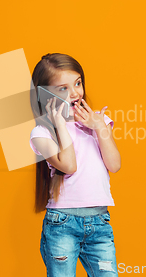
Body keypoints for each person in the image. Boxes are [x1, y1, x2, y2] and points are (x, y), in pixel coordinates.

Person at [29, 53, 121, 277]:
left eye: (78, 83)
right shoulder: (41, 134)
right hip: (62, 225)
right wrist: (60, 123)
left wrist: (99, 126)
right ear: (44, 95)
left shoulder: (98, 122)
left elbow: (115, 164)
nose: (74, 93)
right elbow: (69, 166)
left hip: (99, 222)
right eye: (63, 88)